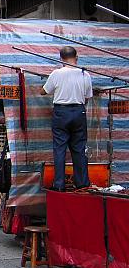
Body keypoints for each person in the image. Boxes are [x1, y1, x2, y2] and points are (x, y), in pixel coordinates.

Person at [40, 46, 92, 191]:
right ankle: (82, 184)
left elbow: (44, 91)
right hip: (79, 112)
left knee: (60, 149)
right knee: (79, 149)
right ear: (77, 57)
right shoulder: (85, 74)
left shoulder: (56, 74)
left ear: (61, 59)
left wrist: (42, 87)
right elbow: (87, 97)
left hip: (61, 112)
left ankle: (59, 184)